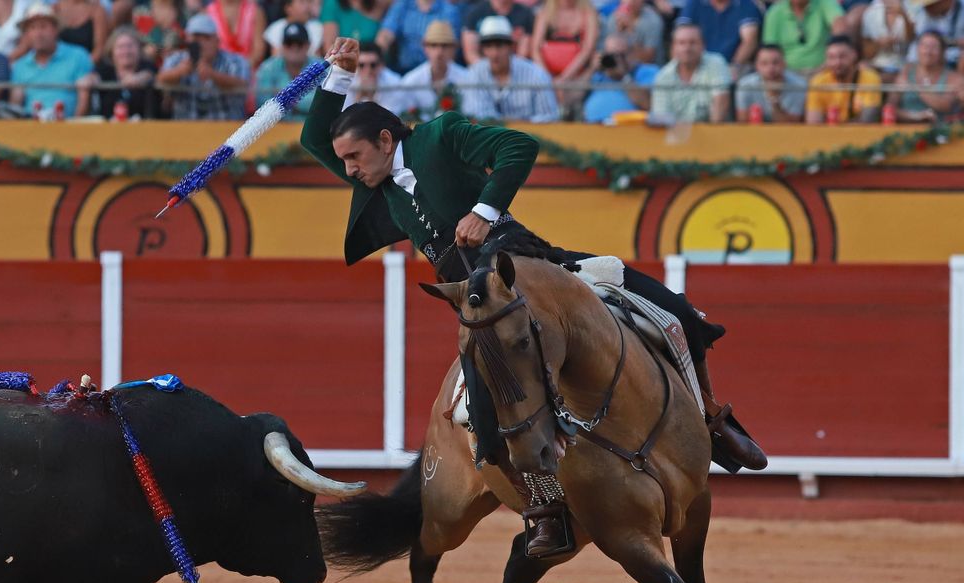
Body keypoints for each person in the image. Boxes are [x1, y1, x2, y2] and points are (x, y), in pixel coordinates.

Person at [300, 37, 767, 553]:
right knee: (484, 396)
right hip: (476, 299)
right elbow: (313, 141)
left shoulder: (440, 135)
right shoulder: (377, 181)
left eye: (354, 157)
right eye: (343, 161)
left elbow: (518, 146)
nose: (347, 170)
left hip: (527, 263)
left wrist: (484, 210)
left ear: (386, 140)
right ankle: (544, 503)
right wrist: (336, 76)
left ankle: (711, 418)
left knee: (672, 308)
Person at [461, 15, 559, 122]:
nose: (495, 53)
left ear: (511, 47)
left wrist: (518, 126)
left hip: (531, 137)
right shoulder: (474, 73)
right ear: (483, 49)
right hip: (490, 137)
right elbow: (477, 115)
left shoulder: (536, 75)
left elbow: (549, 117)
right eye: (489, 46)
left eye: (499, 45)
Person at [158, 12, 250, 118]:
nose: (201, 43)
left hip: (228, 129)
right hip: (185, 130)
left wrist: (212, 75)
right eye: (196, 38)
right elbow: (159, 80)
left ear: (217, 40)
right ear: (187, 40)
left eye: (206, 37)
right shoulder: (176, 60)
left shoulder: (236, 61)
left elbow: (243, 85)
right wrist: (179, 72)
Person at [10, 3, 91, 115]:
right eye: (32, 28)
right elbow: (15, 106)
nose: (38, 34)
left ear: (55, 30)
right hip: (30, 128)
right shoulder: (20, 66)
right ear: (27, 34)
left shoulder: (78, 56)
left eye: (43, 26)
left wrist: (74, 129)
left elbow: (84, 102)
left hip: (69, 128)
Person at [651, 22, 732, 121]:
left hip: (713, 132)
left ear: (703, 45)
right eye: (681, 43)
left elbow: (721, 104)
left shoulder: (716, 63)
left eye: (692, 42)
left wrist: (711, 135)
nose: (687, 48)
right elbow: (661, 118)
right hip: (676, 134)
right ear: (673, 48)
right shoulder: (663, 77)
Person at [85, 25, 161, 117]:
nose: (126, 51)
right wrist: (90, 80)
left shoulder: (147, 65)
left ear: (139, 49)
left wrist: (138, 78)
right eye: (120, 47)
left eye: (130, 46)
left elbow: (150, 74)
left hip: (144, 127)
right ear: (111, 50)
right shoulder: (106, 68)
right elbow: (93, 76)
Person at [885, 30, 962, 120]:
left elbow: (945, 105)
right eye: (924, 46)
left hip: (940, 130)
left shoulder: (953, 77)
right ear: (917, 49)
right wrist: (917, 116)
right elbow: (890, 107)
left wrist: (915, 87)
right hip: (905, 128)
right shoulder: (907, 70)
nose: (928, 52)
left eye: (934, 47)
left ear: (942, 52)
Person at [581, 33, 659, 121]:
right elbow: (569, 99)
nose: (615, 60)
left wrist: (624, 76)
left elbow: (648, 104)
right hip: (593, 127)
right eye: (610, 55)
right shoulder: (598, 74)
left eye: (620, 55)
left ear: (632, 54)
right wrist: (591, 69)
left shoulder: (647, 71)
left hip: (630, 128)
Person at [805, 33, 882, 120]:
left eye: (842, 56)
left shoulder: (869, 78)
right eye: (831, 57)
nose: (837, 62)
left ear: (854, 55)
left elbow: (868, 120)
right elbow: (814, 124)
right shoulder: (818, 82)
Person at [255, 21, 321, 118]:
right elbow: (262, 103)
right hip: (276, 128)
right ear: (282, 45)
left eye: (299, 44)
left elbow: (321, 104)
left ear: (308, 45)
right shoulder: (268, 67)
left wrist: (286, 99)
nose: (294, 48)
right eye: (289, 43)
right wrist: (300, 103)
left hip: (312, 127)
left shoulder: (320, 67)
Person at [761, 0, 846, 74]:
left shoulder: (825, 3)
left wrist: (831, 59)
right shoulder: (775, 12)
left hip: (823, 70)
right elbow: (770, 50)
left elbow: (839, 25)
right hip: (785, 75)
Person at [376, 0, 460, 74]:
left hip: (435, 70)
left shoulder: (448, 9)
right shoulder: (402, 5)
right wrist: (377, 55)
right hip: (403, 70)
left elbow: (451, 45)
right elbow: (386, 34)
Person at [675, 0, 763, 70]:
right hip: (698, 65)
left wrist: (735, 66)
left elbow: (749, 41)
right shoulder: (694, 3)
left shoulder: (746, 4)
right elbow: (680, 36)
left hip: (734, 65)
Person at [733, 41, 807, 119]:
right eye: (764, 63)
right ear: (756, 66)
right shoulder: (745, 86)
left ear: (784, 64)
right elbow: (742, 123)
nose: (770, 69)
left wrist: (775, 103)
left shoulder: (799, 86)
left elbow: (792, 127)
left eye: (775, 63)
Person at [461, 0, 536, 64]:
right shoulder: (475, 13)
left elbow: (523, 53)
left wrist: (511, 72)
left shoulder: (525, 13)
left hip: (514, 69)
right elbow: (471, 53)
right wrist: (486, 72)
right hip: (483, 68)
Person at [601, 0, 665, 66]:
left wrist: (631, 33)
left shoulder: (653, 21)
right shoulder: (613, 19)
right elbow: (609, 54)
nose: (631, 2)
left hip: (647, 68)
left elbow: (648, 59)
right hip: (620, 67)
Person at [343, 40, 405, 109]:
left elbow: (392, 117)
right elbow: (343, 117)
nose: (368, 71)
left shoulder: (394, 83)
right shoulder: (347, 81)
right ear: (356, 66)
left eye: (373, 65)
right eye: (361, 65)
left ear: (382, 65)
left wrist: (371, 98)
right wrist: (358, 97)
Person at [859, 0, 912, 75]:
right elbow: (866, 52)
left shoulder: (912, 8)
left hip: (905, 63)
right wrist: (878, 43)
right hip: (878, 64)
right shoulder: (870, 13)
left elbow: (912, 38)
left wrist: (903, 14)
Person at [321, 0, 390, 48]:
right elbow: (329, 46)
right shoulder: (332, 3)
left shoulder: (380, 4)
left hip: (372, 63)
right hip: (343, 63)